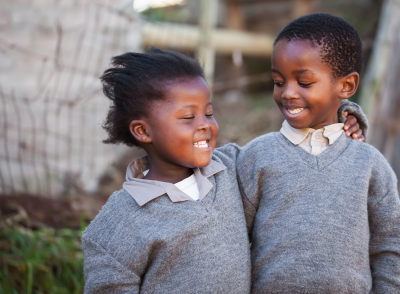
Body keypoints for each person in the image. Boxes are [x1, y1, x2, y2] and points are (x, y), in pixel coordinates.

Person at [81, 47, 365, 294]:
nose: (205, 124)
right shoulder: (118, 224)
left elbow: (292, 151)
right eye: (188, 117)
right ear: (143, 131)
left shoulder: (231, 168)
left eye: (209, 113)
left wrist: (340, 120)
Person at [237, 13, 400, 294]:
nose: (287, 93)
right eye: (278, 82)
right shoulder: (256, 157)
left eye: (304, 82)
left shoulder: (370, 164)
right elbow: (231, 241)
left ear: (346, 86)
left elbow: (390, 246)